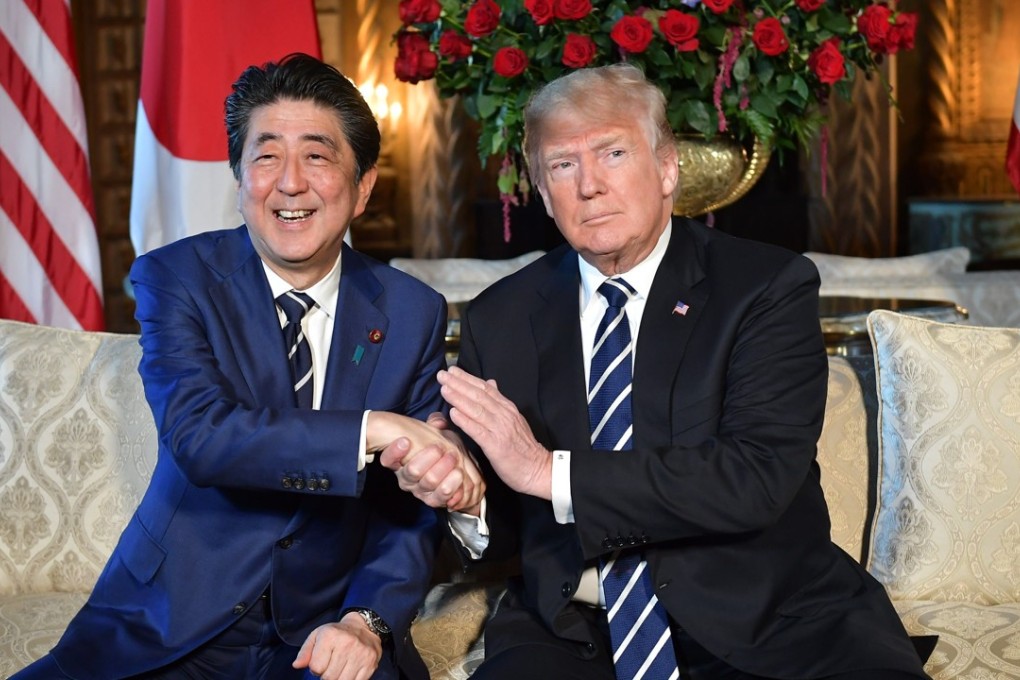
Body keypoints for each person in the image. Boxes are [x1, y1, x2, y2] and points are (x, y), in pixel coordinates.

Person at [385, 64, 931, 679]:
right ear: (542, 191)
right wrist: (468, 495)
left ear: (667, 168)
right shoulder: (501, 316)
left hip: (769, 617)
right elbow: (515, 526)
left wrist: (546, 469)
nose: (588, 184)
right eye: (562, 165)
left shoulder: (765, 288)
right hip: (575, 630)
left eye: (613, 153)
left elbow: (754, 477)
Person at [13, 53, 479, 680]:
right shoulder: (176, 279)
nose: (289, 182)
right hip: (169, 620)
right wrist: (372, 429)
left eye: (317, 156)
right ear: (239, 178)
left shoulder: (410, 310)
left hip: (323, 630)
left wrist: (366, 620)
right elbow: (201, 436)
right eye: (265, 157)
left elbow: (412, 508)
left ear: (363, 186)